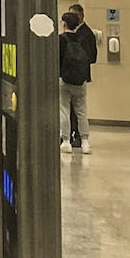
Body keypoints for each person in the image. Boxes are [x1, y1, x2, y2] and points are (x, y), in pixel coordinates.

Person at [58, 11, 91, 154]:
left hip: (64, 80)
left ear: (64, 23)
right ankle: (85, 141)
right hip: (80, 81)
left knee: (64, 109)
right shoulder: (82, 39)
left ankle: (66, 141)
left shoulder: (60, 40)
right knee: (81, 111)